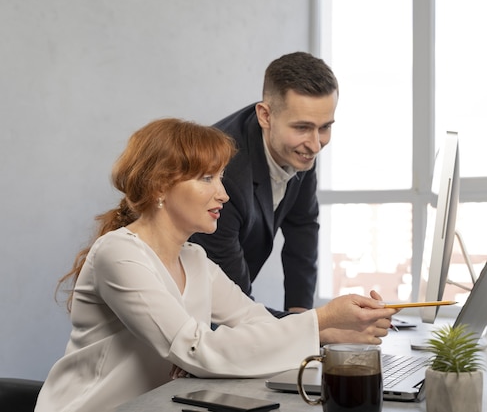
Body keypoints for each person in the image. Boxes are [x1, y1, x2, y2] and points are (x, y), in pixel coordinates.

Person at [35, 118, 397, 412]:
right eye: (207, 178)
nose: (223, 193)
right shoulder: (118, 254)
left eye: (221, 177)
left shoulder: (194, 259)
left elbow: (255, 322)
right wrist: (321, 320)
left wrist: (329, 333)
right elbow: (197, 350)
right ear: (161, 185)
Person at [190, 52, 337, 316]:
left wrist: (302, 314)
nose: (316, 145)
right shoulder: (224, 176)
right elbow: (236, 311)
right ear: (265, 116)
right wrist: (319, 327)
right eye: (302, 128)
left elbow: (302, 227)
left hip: (226, 307)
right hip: (191, 311)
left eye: (324, 127)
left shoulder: (299, 150)